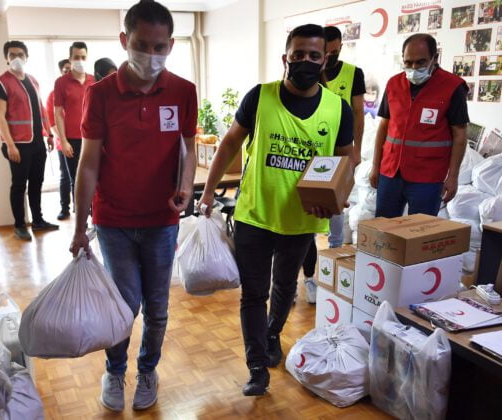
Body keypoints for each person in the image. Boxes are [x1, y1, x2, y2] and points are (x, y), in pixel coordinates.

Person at [198, 23, 357, 396]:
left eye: (313, 56)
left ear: (325, 60)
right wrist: (207, 192)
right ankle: (256, 365)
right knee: (253, 293)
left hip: (302, 218)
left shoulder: (338, 108)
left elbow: (346, 160)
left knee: (285, 285)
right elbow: (228, 145)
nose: (305, 61)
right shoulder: (260, 97)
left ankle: (272, 334)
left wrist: (340, 193)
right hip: (254, 213)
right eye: (298, 54)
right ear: (285, 57)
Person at [70, 0, 197, 412]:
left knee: (157, 308)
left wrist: (185, 187)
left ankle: (147, 369)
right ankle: (113, 370)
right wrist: (77, 226)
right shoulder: (101, 94)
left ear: (171, 45)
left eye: (160, 47)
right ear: (125, 41)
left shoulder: (183, 91)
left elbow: (188, 148)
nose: (151, 55)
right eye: (142, 45)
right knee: (124, 305)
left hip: (162, 220)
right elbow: (88, 163)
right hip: (114, 221)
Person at [298, 25, 365, 305]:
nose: (333, 56)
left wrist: (356, 151)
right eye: (328, 52)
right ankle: (308, 278)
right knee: (306, 225)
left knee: (336, 217)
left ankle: (334, 273)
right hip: (309, 156)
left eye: (337, 51)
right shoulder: (306, 72)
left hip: (337, 156)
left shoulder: (353, 73)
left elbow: (359, 112)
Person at [370, 33, 468, 218]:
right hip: (391, 171)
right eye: (408, 62)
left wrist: (453, 176)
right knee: (383, 229)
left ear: (435, 58)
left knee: (420, 233)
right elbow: (384, 126)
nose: (413, 68)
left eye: (421, 62)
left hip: (428, 176)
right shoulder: (394, 84)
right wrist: (376, 165)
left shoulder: (452, 87)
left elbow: (460, 134)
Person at [0, 40, 58, 241]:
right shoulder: (0, 82)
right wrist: (9, 144)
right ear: (6, 58)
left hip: (37, 141)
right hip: (18, 144)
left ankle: (38, 220)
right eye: (12, 55)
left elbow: (41, 109)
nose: (16, 58)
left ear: (27, 57)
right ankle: (20, 225)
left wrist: (49, 133)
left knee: (37, 182)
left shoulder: (33, 80)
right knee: (19, 185)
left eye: (20, 54)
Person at [54, 42, 96, 203]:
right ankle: (81, 221)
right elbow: (58, 113)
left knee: (95, 179)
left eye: (83, 57)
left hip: (93, 138)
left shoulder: (94, 80)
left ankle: (96, 220)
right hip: (72, 139)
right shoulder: (61, 82)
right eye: (76, 57)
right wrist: (63, 141)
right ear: (70, 59)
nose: (80, 60)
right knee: (76, 181)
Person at [46, 59, 72, 220]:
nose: (68, 72)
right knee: (66, 176)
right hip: (63, 142)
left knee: (82, 177)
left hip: (81, 140)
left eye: (71, 69)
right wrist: (64, 139)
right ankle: (65, 208)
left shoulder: (85, 88)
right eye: (65, 70)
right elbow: (52, 120)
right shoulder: (53, 94)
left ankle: (83, 209)